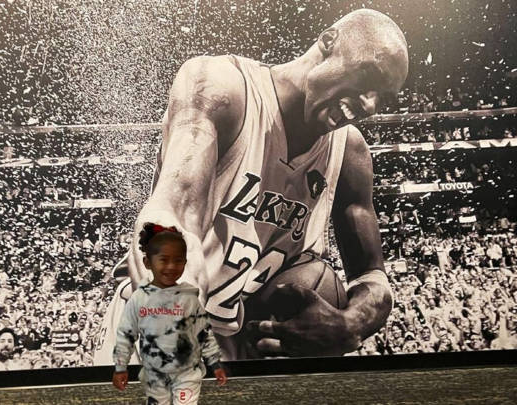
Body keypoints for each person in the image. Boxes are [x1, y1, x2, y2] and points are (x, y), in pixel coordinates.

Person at [96, 8, 409, 362]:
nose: (370, 104)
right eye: (368, 77)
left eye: (383, 97)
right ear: (328, 41)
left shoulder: (350, 153)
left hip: (246, 347)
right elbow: (174, 211)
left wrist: (352, 323)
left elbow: (373, 278)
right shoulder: (222, 88)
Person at [112, 224, 227, 404]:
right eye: (164, 260)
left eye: (178, 260)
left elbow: (204, 333)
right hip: (154, 377)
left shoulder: (189, 299)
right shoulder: (139, 299)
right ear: (147, 262)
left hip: (187, 374)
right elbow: (125, 335)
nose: (171, 266)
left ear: (185, 263)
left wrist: (215, 363)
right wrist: (120, 367)